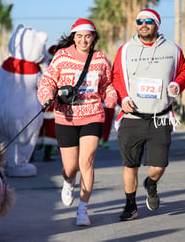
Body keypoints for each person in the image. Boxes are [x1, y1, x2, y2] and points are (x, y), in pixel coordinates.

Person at [112, 9, 185, 221]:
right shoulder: (126, 49)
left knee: (159, 166)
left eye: (149, 21)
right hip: (132, 118)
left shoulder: (172, 49)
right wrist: (123, 98)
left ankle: (151, 183)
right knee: (131, 166)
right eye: (140, 21)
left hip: (160, 117)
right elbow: (117, 77)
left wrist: (177, 84)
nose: (143, 25)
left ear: (157, 24)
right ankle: (130, 206)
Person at [37, 18, 117, 226]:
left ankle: (83, 210)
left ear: (93, 38)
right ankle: (68, 181)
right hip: (66, 116)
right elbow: (48, 81)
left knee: (87, 162)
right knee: (71, 167)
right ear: (73, 37)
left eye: (87, 36)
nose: (83, 40)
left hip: (93, 115)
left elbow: (107, 85)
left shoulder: (100, 59)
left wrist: (110, 97)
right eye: (79, 36)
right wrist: (46, 96)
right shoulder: (61, 56)